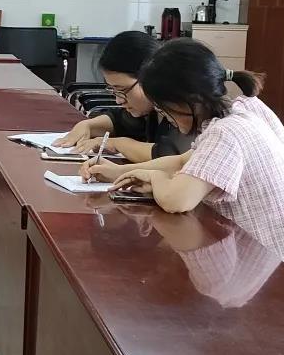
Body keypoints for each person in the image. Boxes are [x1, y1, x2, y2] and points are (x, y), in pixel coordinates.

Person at [99, 41, 284, 241]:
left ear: (191, 100)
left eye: (163, 108)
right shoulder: (241, 110)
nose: (166, 117)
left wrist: (155, 177)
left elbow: (177, 201)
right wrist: (118, 172)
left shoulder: (224, 133)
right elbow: (182, 162)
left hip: (264, 252)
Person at [54, 30, 192, 163]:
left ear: (151, 76)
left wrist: (118, 144)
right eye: (113, 90)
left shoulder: (182, 110)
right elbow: (119, 121)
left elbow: (172, 155)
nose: (118, 100)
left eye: (122, 90)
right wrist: (87, 125)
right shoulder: (150, 109)